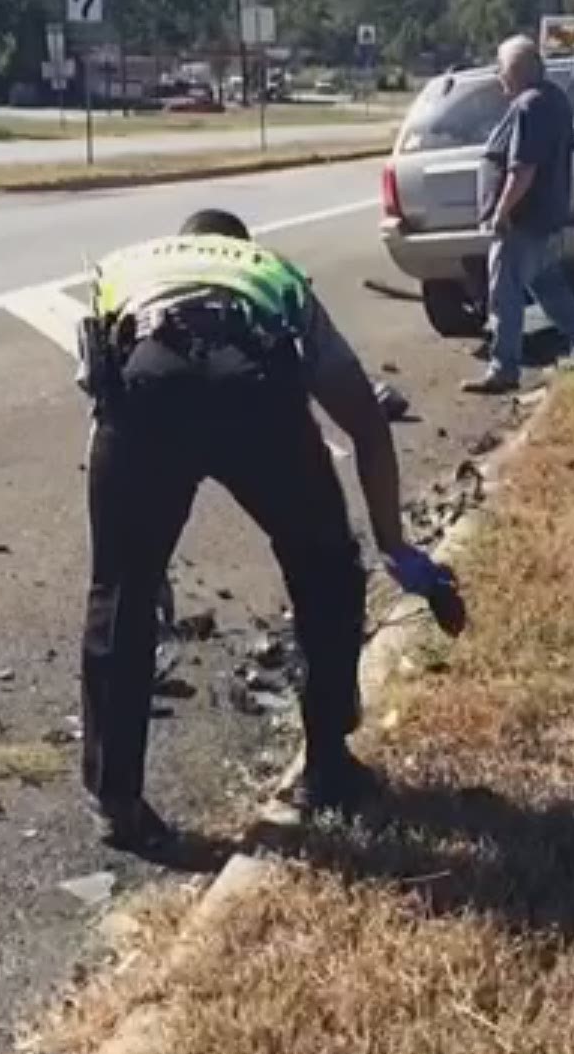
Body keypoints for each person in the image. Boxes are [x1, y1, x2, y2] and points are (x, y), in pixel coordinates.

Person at [73, 208, 459, 853]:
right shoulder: (272, 275)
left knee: (119, 596)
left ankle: (118, 803)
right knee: (327, 568)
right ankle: (328, 763)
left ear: (183, 240)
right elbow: (364, 420)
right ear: (237, 247)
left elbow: (105, 404)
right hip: (251, 391)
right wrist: (394, 546)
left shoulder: (125, 268)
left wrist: (132, 559)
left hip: (146, 389)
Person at [462, 34, 574, 396]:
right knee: (552, 292)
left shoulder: (530, 106)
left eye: (501, 69)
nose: (498, 77)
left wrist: (501, 211)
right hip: (546, 221)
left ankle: (504, 369)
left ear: (515, 70)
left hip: (522, 222)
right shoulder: (555, 99)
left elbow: (522, 168)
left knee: (505, 295)